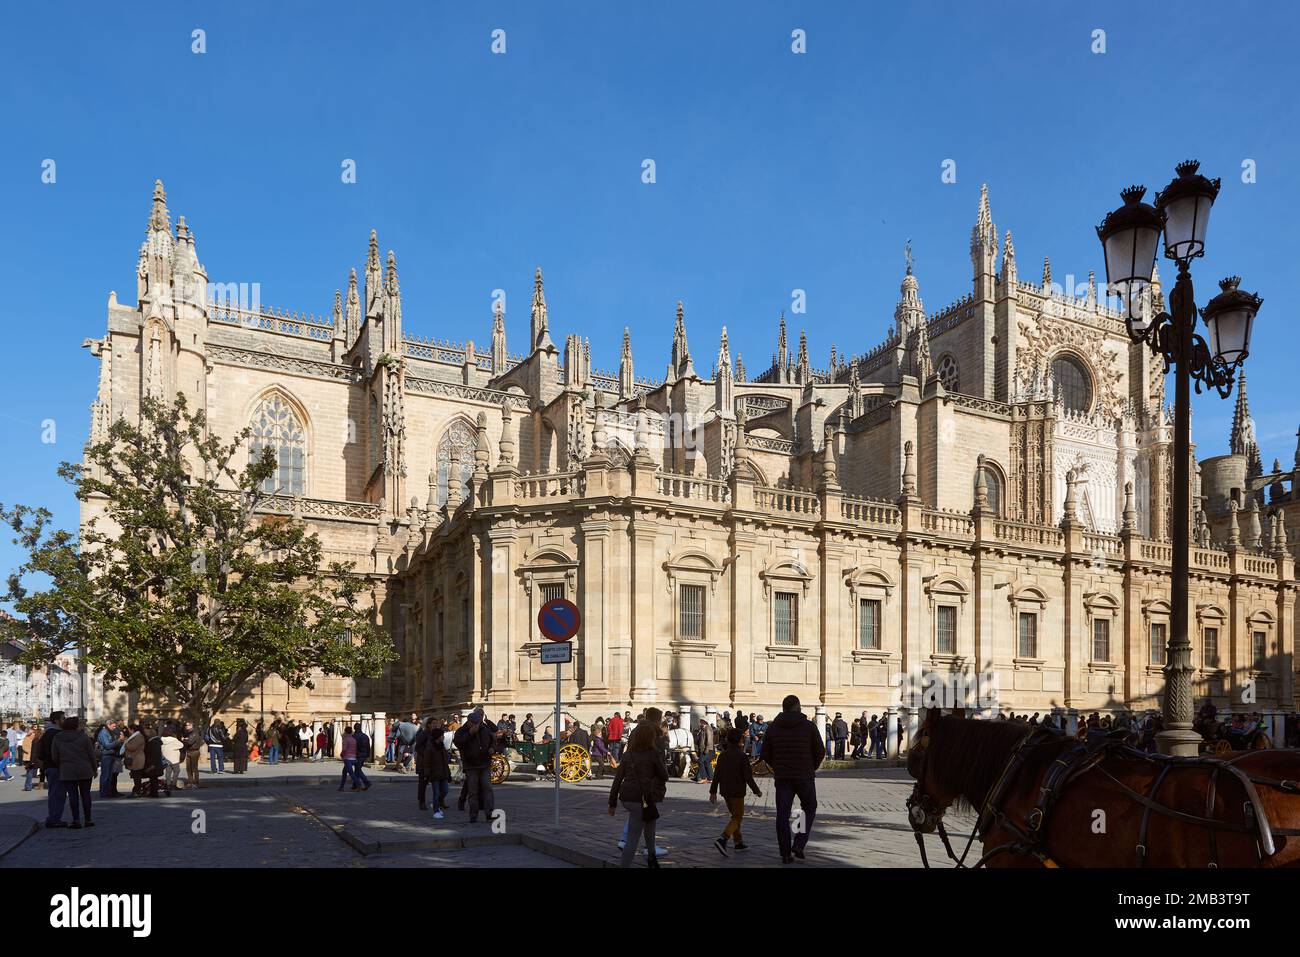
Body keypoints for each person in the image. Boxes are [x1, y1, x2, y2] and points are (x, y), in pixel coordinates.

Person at [760, 695, 825, 864]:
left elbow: (765, 753)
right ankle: (799, 843)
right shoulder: (809, 726)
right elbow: (820, 750)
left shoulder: (773, 728)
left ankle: (785, 853)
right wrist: (812, 766)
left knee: (782, 815)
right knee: (809, 807)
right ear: (798, 707)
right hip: (804, 776)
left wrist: (777, 765)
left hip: (783, 778)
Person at [607, 722, 668, 867]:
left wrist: (612, 802)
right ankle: (625, 865)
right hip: (642, 797)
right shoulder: (652, 754)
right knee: (633, 837)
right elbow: (664, 775)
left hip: (627, 796)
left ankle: (652, 857)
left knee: (650, 822)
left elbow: (617, 780)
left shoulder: (628, 755)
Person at [710, 727, 762, 855]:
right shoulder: (742, 756)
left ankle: (738, 842)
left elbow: (716, 774)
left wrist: (713, 792)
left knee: (735, 816)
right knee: (737, 818)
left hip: (725, 790)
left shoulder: (722, 756)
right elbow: (747, 776)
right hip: (738, 791)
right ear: (740, 741)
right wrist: (756, 790)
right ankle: (724, 838)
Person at [453, 708, 504, 822]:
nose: (477, 725)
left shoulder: (484, 728)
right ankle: (473, 814)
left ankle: (489, 813)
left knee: (488, 788)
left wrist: (492, 748)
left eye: (479, 722)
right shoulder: (462, 731)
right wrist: (470, 734)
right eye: (475, 723)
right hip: (471, 766)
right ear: (469, 722)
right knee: (473, 791)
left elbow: (493, 740)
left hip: (485, 763)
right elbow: (458, 743)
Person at [51, 717, 96, 828]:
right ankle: (88, 819)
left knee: (72, 796)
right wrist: (94, 768)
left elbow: (54, 756)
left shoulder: (57, 737)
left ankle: (76, 820)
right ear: (75, 726)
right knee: (86, 795)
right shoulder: (83, 736)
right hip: (84, 768)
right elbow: (91, 754)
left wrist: (61, 765)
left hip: (67, 769)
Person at [38, 711, 68, 828]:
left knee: (54, 794)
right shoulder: (56, 734)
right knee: (58, 794)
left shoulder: (47, 733)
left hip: (50, 767)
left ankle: (53, 818)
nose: (64, 721)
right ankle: (54, 819)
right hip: (56, 767)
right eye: (63, 718)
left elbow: (40, 752)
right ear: (56, 721)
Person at [423, 718, 452, 819]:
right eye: (442, 736)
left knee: (445, 790)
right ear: (438, 737)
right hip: (434, 774)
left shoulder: (442, 747)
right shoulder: (430, 748)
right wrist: (427, 774)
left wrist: (448, 773)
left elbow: (445, 762)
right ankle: (436, 810)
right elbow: (426, 762)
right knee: (436, 792)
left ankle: (437, 804)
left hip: (443, 773)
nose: (443, 737)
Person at [161, 727, 184, 791]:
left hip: (166, 758)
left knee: (168, 772)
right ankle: (173, 784)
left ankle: (168, 785)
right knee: (177, 771)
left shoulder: (161, 739)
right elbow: (181, 745)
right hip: (174, 758)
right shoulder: (173, 740)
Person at [22, 725, 42, 791]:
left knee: (29, 772)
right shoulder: (37, 738)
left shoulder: (30, 738)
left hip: (30, 757)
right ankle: (40, 786)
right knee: (43, 772)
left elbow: (24, 747)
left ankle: (28, 787)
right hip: (37, 758)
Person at [695, 717, 715, 783]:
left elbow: (709, 740)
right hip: (704, 749)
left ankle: (704, 778)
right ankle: (711, 778)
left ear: (704, 722)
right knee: (707, 763)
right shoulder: (702, 729)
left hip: (707, 749)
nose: (700, 723)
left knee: (700, 761)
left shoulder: (708, 729)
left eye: (701, 722)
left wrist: (706, 750)